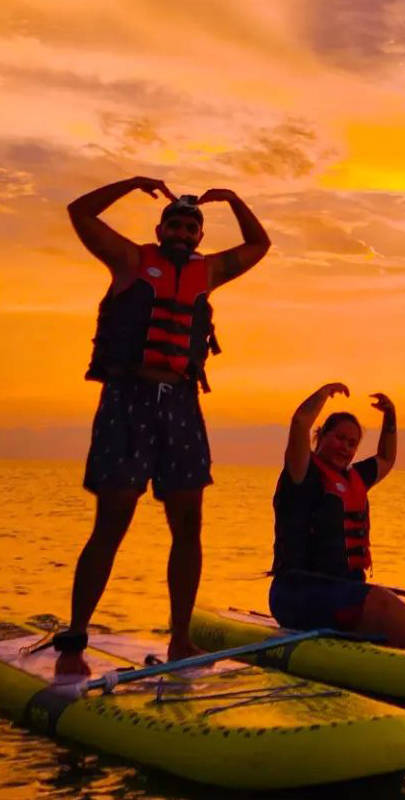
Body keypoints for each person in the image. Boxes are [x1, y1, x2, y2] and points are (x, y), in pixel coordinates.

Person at [54, 176, 271, 676]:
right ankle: (74, 640)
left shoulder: (209, 272)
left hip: (180, 403)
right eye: (174, 221)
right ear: (160, 227)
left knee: (189, 525)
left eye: (191, 225)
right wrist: (131, 183)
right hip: (127, 401)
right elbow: (79, 210)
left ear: (198, 236)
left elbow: (260, 244)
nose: (183, 229)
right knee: (112, 522)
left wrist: (236, 199)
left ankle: (180, 640)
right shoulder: (130, 260)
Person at [269, 382, 405, 656]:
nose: (345, 447)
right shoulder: (301, 472)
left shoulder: (355, 478)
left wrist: (390, 417)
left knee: (388, 613)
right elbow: (299, 422)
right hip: (298, 594)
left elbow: (386, 458)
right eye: (339, 438)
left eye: (352, 443)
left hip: (342, 596)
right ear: (320, 436)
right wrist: (322, 394)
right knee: (381, 601)